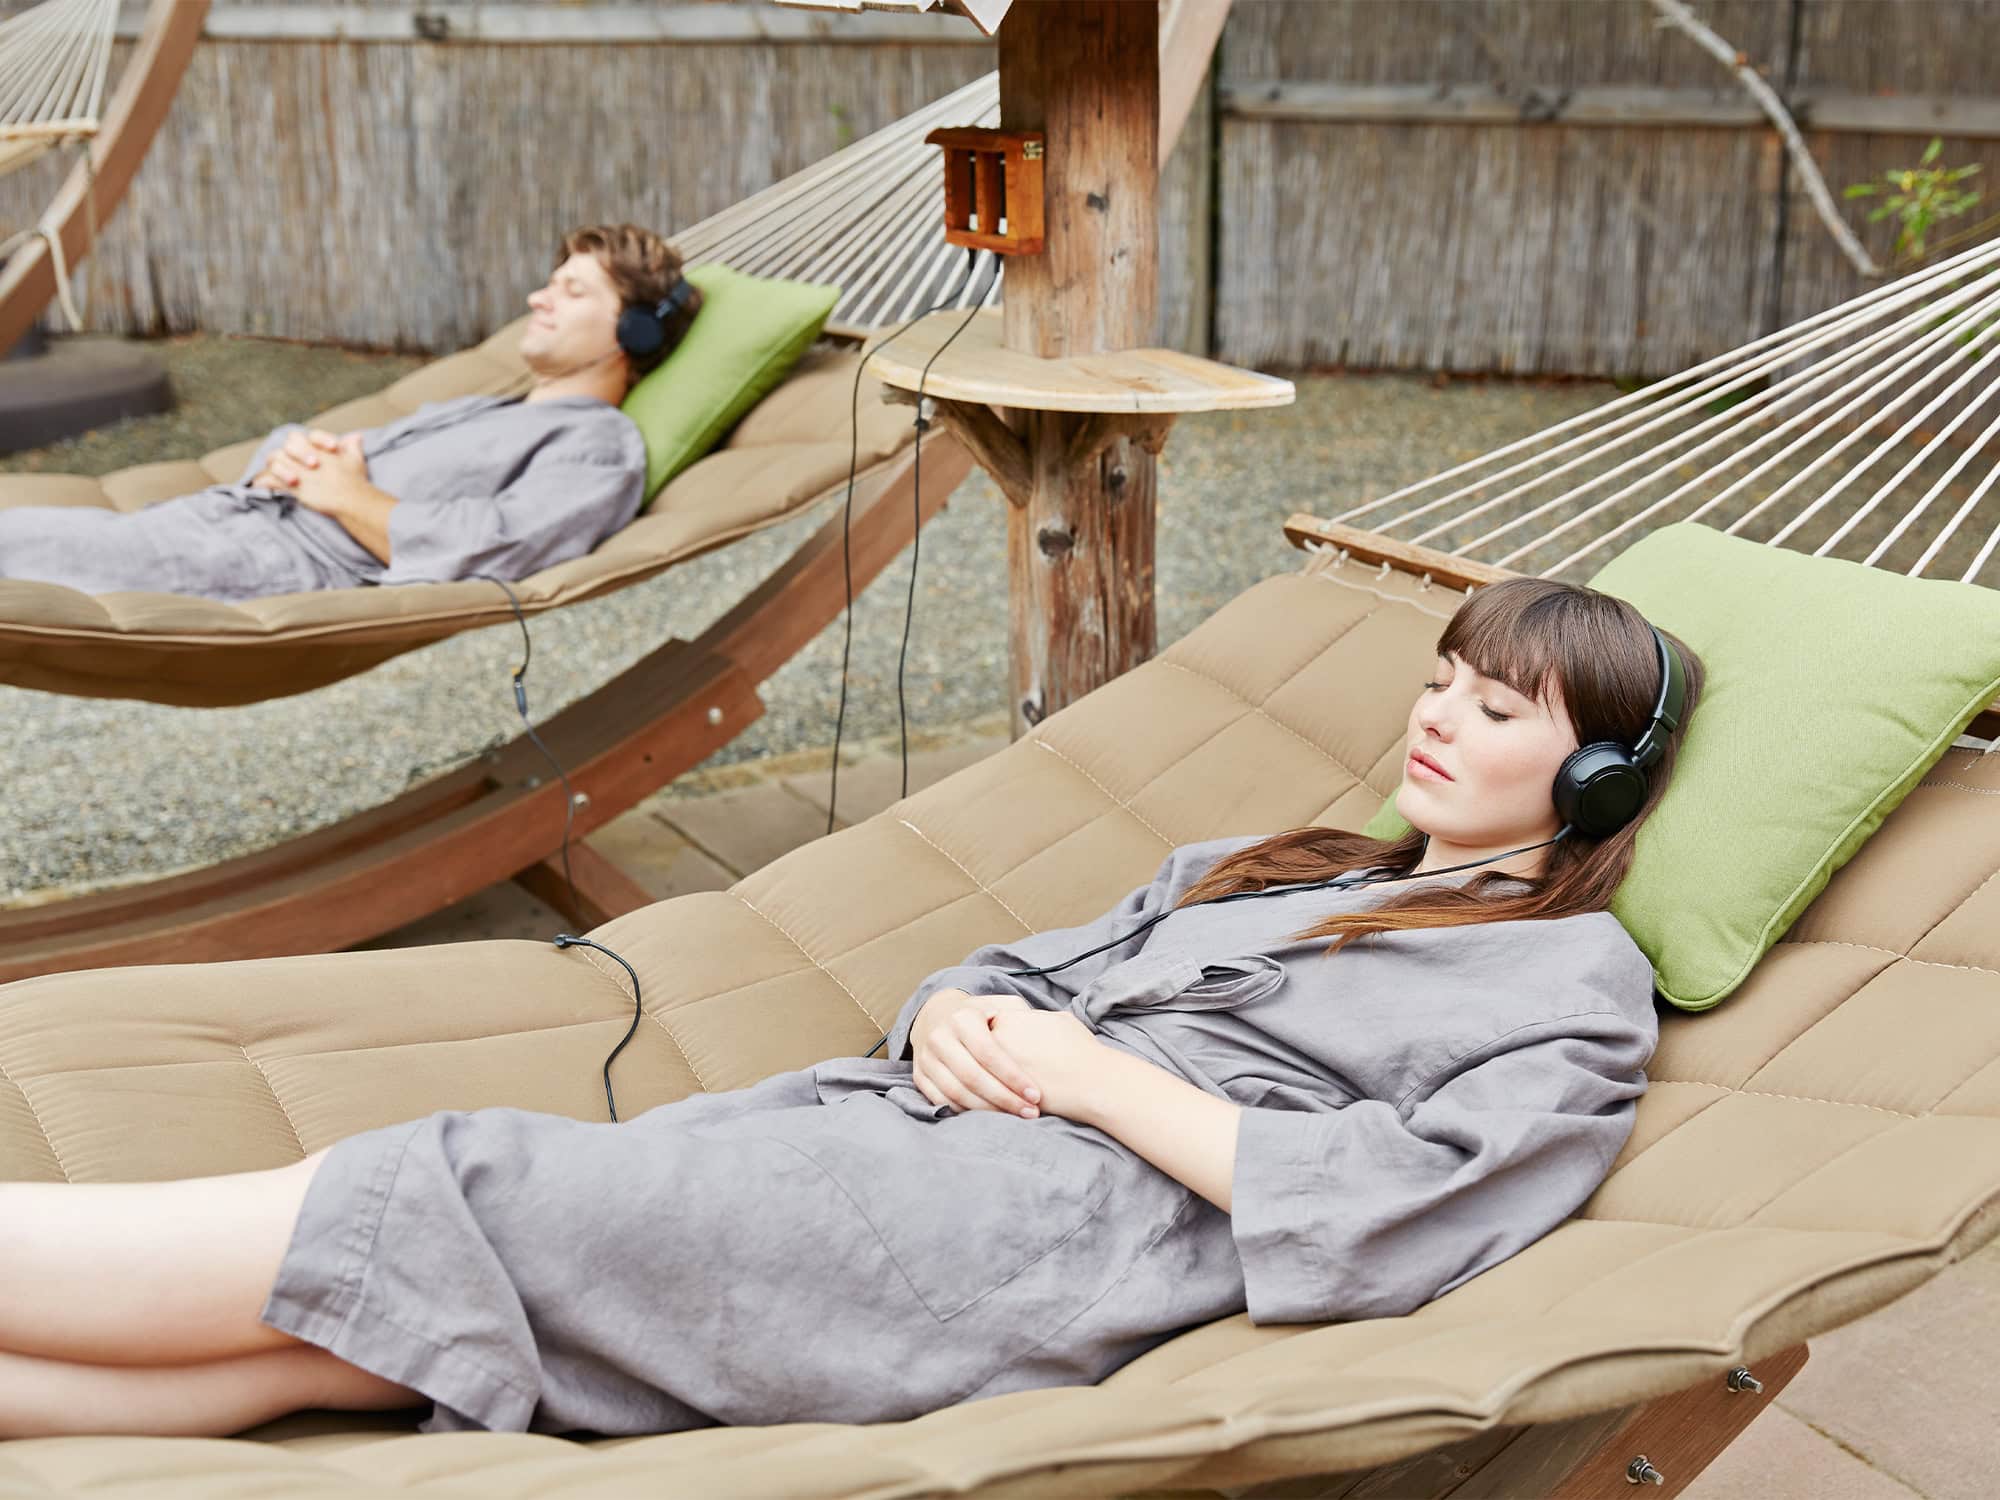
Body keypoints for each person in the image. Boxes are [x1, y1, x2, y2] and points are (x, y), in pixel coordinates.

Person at [0, 577, 1704, 1441]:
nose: (1436, 722)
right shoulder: (1276, 860)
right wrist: (958, 1013)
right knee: (366, 1322)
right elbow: (1024, 974)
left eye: (1494, 709)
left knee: (475, 1182)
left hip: (1047, 1233)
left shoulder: (1572, 986)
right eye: (1436, 684)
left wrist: (1090, 1082)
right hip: (921, 1135)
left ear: (1602, 776)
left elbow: (1400, 1209)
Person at [0, 223, 699, 602]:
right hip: (221, 519)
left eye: (572, 291)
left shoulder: (599, 446)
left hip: (265, 561)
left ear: (633, 332)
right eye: (550, 284)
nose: (538, 299)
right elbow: (346, 461)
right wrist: (294, 454)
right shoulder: (493, 406)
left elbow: (501, 546)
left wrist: (346, 492)